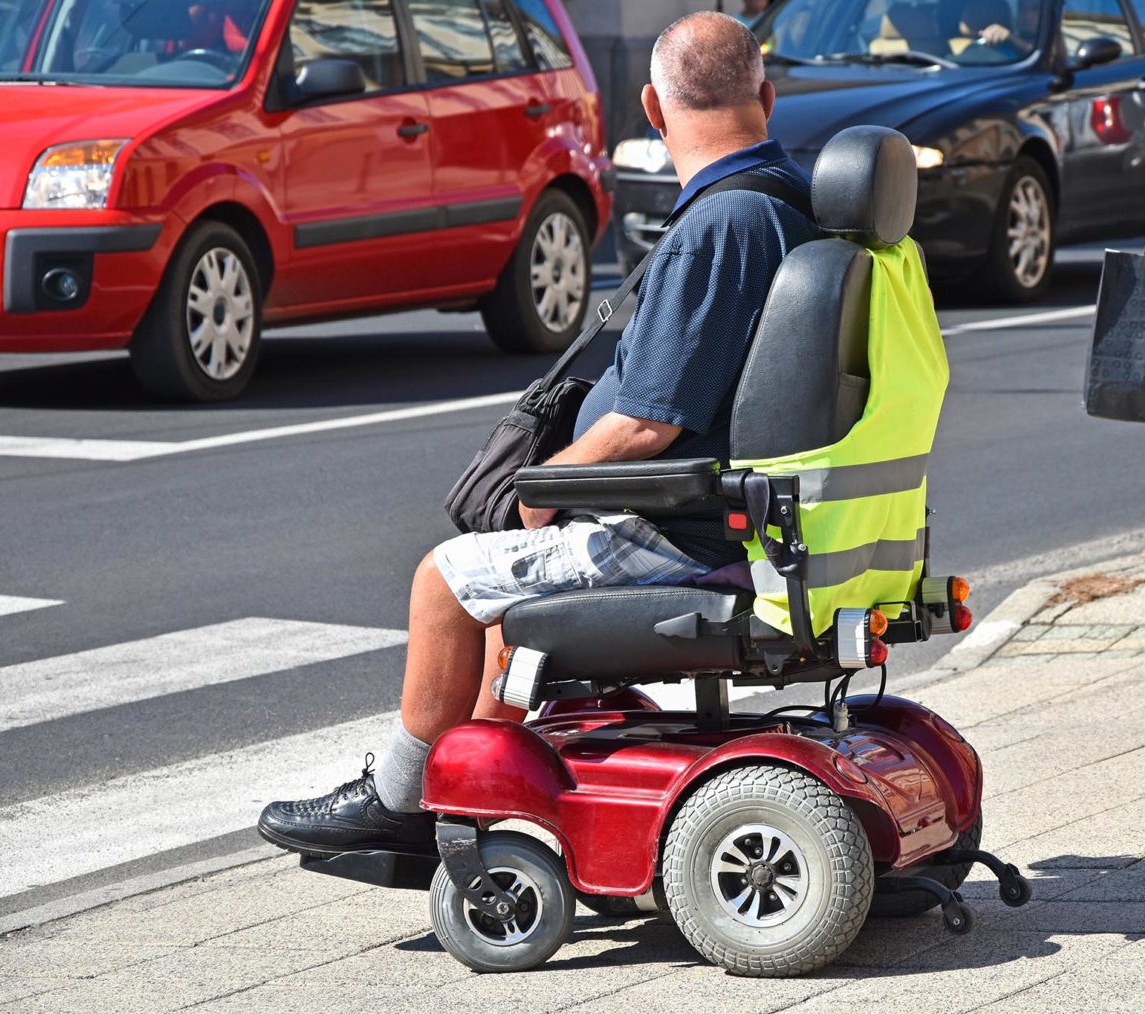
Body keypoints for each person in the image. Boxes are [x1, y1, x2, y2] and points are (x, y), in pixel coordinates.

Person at [257, 11, 820, 856]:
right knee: (499, 598)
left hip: (680, 528)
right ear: (765, 99)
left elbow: (646, 423)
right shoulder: (785, 206)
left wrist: (546, 485)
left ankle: (400, 803)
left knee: (445, 579)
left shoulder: (722, 228)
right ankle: (466, 798)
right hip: (739, 515)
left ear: (652, 111)